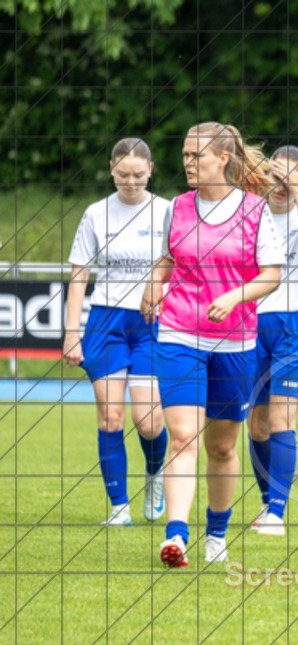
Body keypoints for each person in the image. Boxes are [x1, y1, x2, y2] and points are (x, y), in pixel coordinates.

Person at [141, 122, 284, 568]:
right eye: (183, 155)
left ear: (222, 158)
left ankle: (216, 532)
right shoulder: (177, 208)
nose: (186, 163)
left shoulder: (256, 212)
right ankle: (176, 537)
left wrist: (235, 295)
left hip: (236, 343)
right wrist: (154, 284)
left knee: (221, 446)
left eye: (195, 156)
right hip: (179, 333)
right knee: (185, 436)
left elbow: (272, 274)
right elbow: (169, 257)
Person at [64, 137, 170, 527]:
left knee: (150, 422)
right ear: (110, 168)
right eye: (123, 175)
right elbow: (79, 274)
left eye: (139, 175)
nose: (130, 182)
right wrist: (71, 333)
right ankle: (119, 508)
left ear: (151, 170)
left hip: (152, 323)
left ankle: (155, 473)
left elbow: (183, 264)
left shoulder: (168, 211)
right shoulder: (95, 214)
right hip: (105, 322)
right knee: (110, 416)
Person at [247, 145, 298, 536]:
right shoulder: (248, 215)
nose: (281, 186)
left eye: (291, 178)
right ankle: (266, 503)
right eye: (276, 178)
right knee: (256, 425)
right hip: (250, 323)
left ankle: (277, 513)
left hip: (295, 325)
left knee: (282, 420)